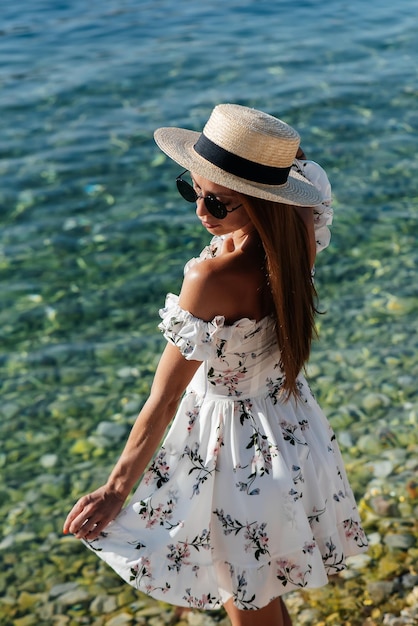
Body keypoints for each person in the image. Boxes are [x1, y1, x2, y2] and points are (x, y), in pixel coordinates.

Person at [64, 104, 368, 626]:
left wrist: (116, 491)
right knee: (261, 594)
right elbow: (306, 169)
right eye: (191, 190)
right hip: (292, 435)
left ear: (260, 201)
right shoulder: (299, 226)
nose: (202, 212)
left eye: (218, 202)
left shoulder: (211, 278)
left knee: (247, 600)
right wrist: (270, 157)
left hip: (231, 455)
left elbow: (162, 401)